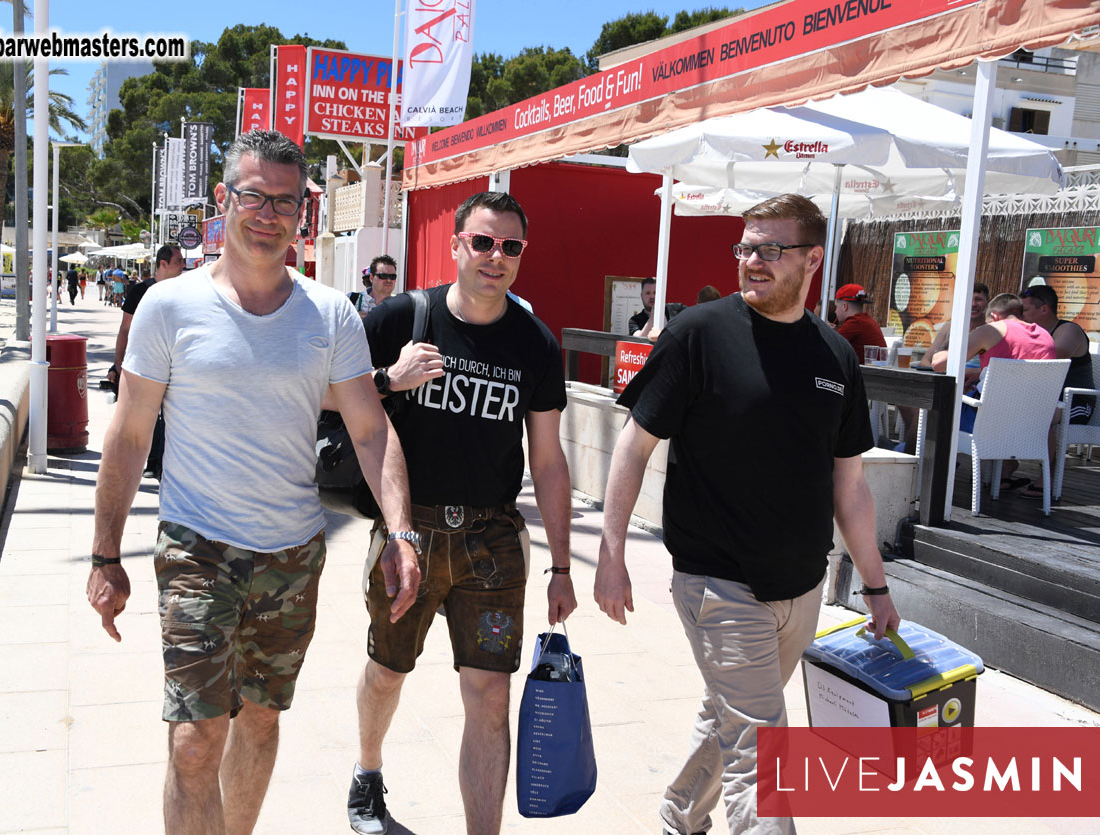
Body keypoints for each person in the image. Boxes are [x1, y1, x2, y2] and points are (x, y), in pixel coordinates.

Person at [86, 129, 420, 835]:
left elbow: (370, 429)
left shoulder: (330, 314)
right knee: (194, 738)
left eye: (284, 202)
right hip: (196, 549)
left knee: (261, 722)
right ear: (222, 199)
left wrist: (401, 532)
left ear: (303, 211)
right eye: (253, 197)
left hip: (291, 557)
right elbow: (129, 435)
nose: (268, 215)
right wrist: (105, 554)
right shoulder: (169, 306)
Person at [593, 194, 900, 835]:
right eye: (746, 247)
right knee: (762, 747)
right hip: (719, 582)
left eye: (771, 249)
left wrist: (876, 588)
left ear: (813, 260)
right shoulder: (698, 334)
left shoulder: (836, 356)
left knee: (734, 717)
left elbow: (850, 486)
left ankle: (679, 813)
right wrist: (611, 552)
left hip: (803, 587)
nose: (753, 261)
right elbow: (634, 444)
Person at [348, 191, 577, 835]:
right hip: (409, 532)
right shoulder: (401, 317)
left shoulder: (535, 344)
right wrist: (389, 379)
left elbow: (548, 461)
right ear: (455, 245)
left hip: (491, 541)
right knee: (388, 670)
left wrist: (562, 568)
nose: (495, 256)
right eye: (482, 241)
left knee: (491, 695)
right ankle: (368, 769)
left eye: (510, 246)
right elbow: (325, 395)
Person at [932, 292, 1056, 490]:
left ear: (995, 316)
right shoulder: (1045, 336)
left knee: (930, 409)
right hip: (1032, 425)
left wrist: (946, 345)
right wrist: (981, 373)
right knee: (1005, 399)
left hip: (988, 424)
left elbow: (939, 364)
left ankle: (926, 474)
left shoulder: (993, 329)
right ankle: (1005, 474)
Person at [105, 247, 185, 477]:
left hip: (176, 364)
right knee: (145, 416)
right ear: (163, 264)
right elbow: (125, 329)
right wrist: (118, 364)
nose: (183, 265)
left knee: (171, 416)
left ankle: (162, 466)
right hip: (145, 363)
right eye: (178, 261)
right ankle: (151, 462)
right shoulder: (140, 291)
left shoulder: (186, 292)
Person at [1020, 283, 1095, 497]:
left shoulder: (1068, 330)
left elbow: (1051, 358)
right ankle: (1006, 469)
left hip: (1076, 402)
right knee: (1004, 407)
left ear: (1044, 309)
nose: (1020, 315)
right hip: (1047, 399)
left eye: (1025, 310)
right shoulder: (1032, 332)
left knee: (1041, 415)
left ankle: (1048, 477)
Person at [833, 283, 886, 359]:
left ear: (845, 306)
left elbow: (829, 345)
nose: (835, 311)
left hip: (865, 367)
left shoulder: (854, 323)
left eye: (836, 306)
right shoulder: (865, 320)